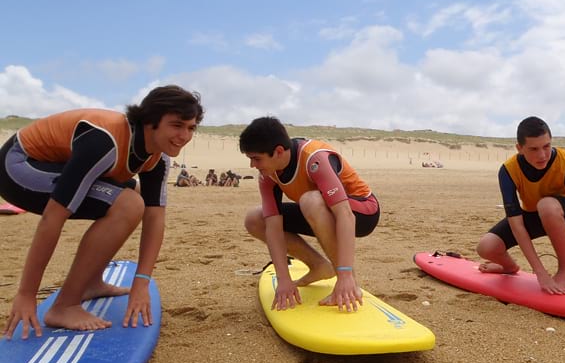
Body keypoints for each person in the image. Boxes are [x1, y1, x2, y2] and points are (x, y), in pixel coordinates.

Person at [0, 85, 204, 339]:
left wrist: (141, 282)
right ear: (150, 122)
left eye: (191, 127)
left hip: (59, 162)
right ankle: (64, 307)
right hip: (18, 166)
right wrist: (26, 294)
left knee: (135, 199)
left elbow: (155, 216)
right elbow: (53, 218)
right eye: (177, 125)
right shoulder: (105, 142)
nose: (184, 135)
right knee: (128, 204)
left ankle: (91, 282)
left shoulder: (158, 157)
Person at [239, 117, 380, 312]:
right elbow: (273, 226)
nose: (252, 166)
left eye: (256, 158)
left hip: (362, 211)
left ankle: (348, 282)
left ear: (278, 151)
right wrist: (284, 280)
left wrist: (346, 274)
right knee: (255, 219)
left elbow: (345, 215)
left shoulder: (314, 158)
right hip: (318, 210)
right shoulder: (268, 175)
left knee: (310, 200)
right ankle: (319, 267)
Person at [476, 116, 565, 295]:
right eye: (533, 149)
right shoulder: (508, 171)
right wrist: (540, 274)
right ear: (520, 148)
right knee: (486, 247)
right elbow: (517, 224)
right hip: (532, 215)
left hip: (564, 216)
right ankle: (509, 267)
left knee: (547, 205)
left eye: (546, 146)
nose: (542, 155)